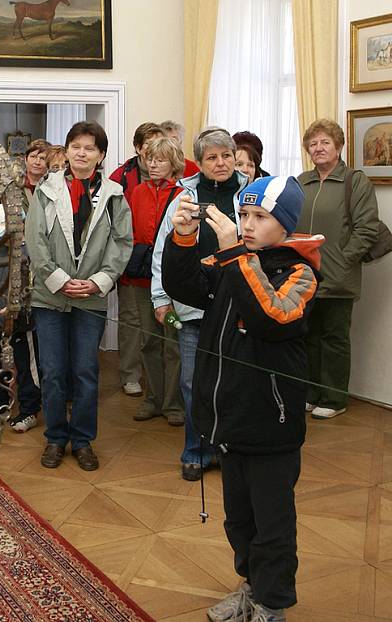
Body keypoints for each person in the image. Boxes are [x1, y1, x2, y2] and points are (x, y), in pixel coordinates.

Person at [162, 175, 322, 622]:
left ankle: (272, 604)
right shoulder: (235, 261)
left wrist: (235, 253)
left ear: (285, 226)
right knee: (239, 519)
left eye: (261, 217)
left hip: (272, 422)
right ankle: (252, 586)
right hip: (228, 418)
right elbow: (186, 285)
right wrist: (184, 236)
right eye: (244, 215)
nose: (247, 225)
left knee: (272, 524)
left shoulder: (299, 272)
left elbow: (273, 316)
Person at [26, 121, 131, 471]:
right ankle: (56, 438)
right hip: (49, 297)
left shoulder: (115, 195)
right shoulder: (45, 190)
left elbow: (121, 243)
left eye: (90, 147)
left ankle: (83, 440)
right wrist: (58, 279)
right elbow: (35, 241)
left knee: (86, 371)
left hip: (92, 297)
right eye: (76, 146)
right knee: (53, 371)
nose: (82, 152)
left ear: (100, 155)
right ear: (67, 151)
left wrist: (99, 281)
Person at [151, 126, 250, 481]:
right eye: (212, 157)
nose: (221, 163)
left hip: (239, 305)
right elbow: (163, 250)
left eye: (226, 156)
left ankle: (228, 449)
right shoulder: (184, 197)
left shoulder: (250, 191)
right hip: (193, 308)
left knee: (234, 382)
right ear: (201, 162)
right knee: (193, 383)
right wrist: (161, 298)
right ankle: (196, 449)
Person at [296, 119, 381, 419]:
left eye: (325, 143)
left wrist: (343, 260)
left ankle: (333, 398)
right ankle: (310, 392)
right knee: (307, 335)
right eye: (313, 143)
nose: (318, 148)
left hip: (338, 276)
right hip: (303, 275)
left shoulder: (354, 181)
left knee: (333, 338)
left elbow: (367, 228)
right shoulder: (301, 181)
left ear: (339, 146)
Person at [124, 136, 185, 426]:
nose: (153, 164)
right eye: (150, 158)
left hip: (174, 280)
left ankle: (174, 403)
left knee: (173, 343)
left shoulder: (184, 194)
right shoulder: (136, 192)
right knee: (148, 340)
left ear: (173, 163)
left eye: (160, 159)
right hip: (142, 279)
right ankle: (153, 398)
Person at [0, 206, 42, 432]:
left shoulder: (32, 251)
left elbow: (35, 288)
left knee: (26, 367)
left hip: (23, 323)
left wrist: (19, 309)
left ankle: (29, 410)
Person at [110, 122, 164, 396]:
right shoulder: (121, 176)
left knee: (158, 321)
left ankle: (157, 377)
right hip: (130, 260)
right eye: (149, 145)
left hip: (161, 263)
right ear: (138, 148)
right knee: (131, 320)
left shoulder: (173, 175)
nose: (154, 152)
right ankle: (130, 374)